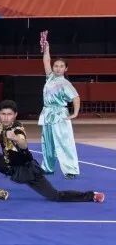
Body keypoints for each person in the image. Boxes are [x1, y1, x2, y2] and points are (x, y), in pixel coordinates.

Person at [0, 100, 103, 203]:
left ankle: (91, 195)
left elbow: (23, 144)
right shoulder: (2, 125)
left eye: (9, 114)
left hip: (25, 170)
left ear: (15, 115)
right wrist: (2, 143)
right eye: (3, 114)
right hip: (9, 165)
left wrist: (16, 138)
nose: (6, 117)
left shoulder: (17, 127)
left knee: (55, 196)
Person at [38, 32, 80, 179]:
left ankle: (71, 170)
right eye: (56, 66)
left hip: (60, 115)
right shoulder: (50, 77)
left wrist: (75, 113)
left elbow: (76, 97)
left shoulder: (65, 83)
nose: (57, 68)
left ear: (65, 69)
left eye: (61, 66)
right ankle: (47, 167)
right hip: (47, 114)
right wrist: (47, 48)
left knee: (64, 142)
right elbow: (46, 61)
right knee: (47, 142)